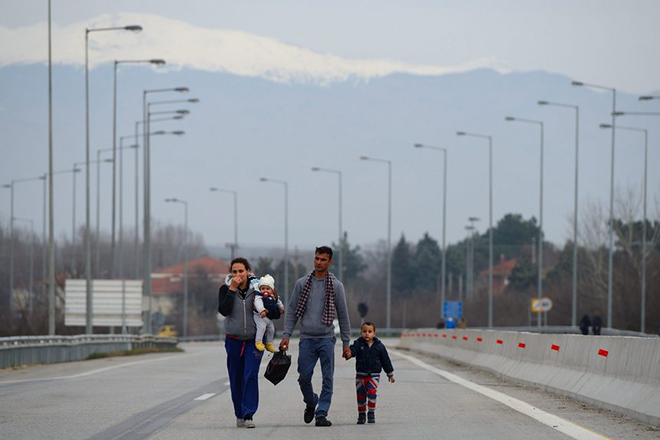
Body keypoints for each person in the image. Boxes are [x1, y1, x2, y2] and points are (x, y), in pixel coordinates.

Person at [280, 246, 351, 427]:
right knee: (303, 376)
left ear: (330, 262)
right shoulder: (302, 283)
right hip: (307, 339)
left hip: (326, 338)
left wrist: (346, 343)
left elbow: (343, 315)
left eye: (323, 260)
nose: (319, 262)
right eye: (317, 258)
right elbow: (292, 312)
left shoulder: (336, 286)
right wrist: (286, 335)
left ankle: (321, 413)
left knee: (328, 377)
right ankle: (311, 402)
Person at [217, 257, 263, 429]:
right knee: (236, 377)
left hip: (254, 340)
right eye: (234, 272)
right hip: (233, 340)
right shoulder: (225, 289)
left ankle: (249, 413)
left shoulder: (257, 289)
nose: (238, 275)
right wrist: (232, 289)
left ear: (248, 271)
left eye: (241, 271)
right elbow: (224, 310)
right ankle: (239, 414)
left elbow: (268, 308)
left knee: (250, 376)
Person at [345, 322, 395, 424]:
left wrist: (390, 374)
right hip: (360, 376)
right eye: (364, 331)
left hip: (374, 376)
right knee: (361, 396)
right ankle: (361, 415)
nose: (367, 334)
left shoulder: (379, 346)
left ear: (374, 333)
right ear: (361, 333)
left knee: (372, 393)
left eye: (369, 331)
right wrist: (349, 353)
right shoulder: (358, 344)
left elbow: (385, 360)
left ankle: (371, 413)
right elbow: (353, 351)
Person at [254, 274, 285, 353]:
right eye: (263, 288)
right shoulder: (259, 296)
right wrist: (262, 310)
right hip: (260, 316)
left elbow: (278, 301)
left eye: (267, 289)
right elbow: (258, 303)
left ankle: (269, 343)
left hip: (268, 318)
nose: (265, 291)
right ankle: (258, 342)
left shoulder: (273, 296)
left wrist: (281, 308)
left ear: (272, 290)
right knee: (261, 328)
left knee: (271, 330)